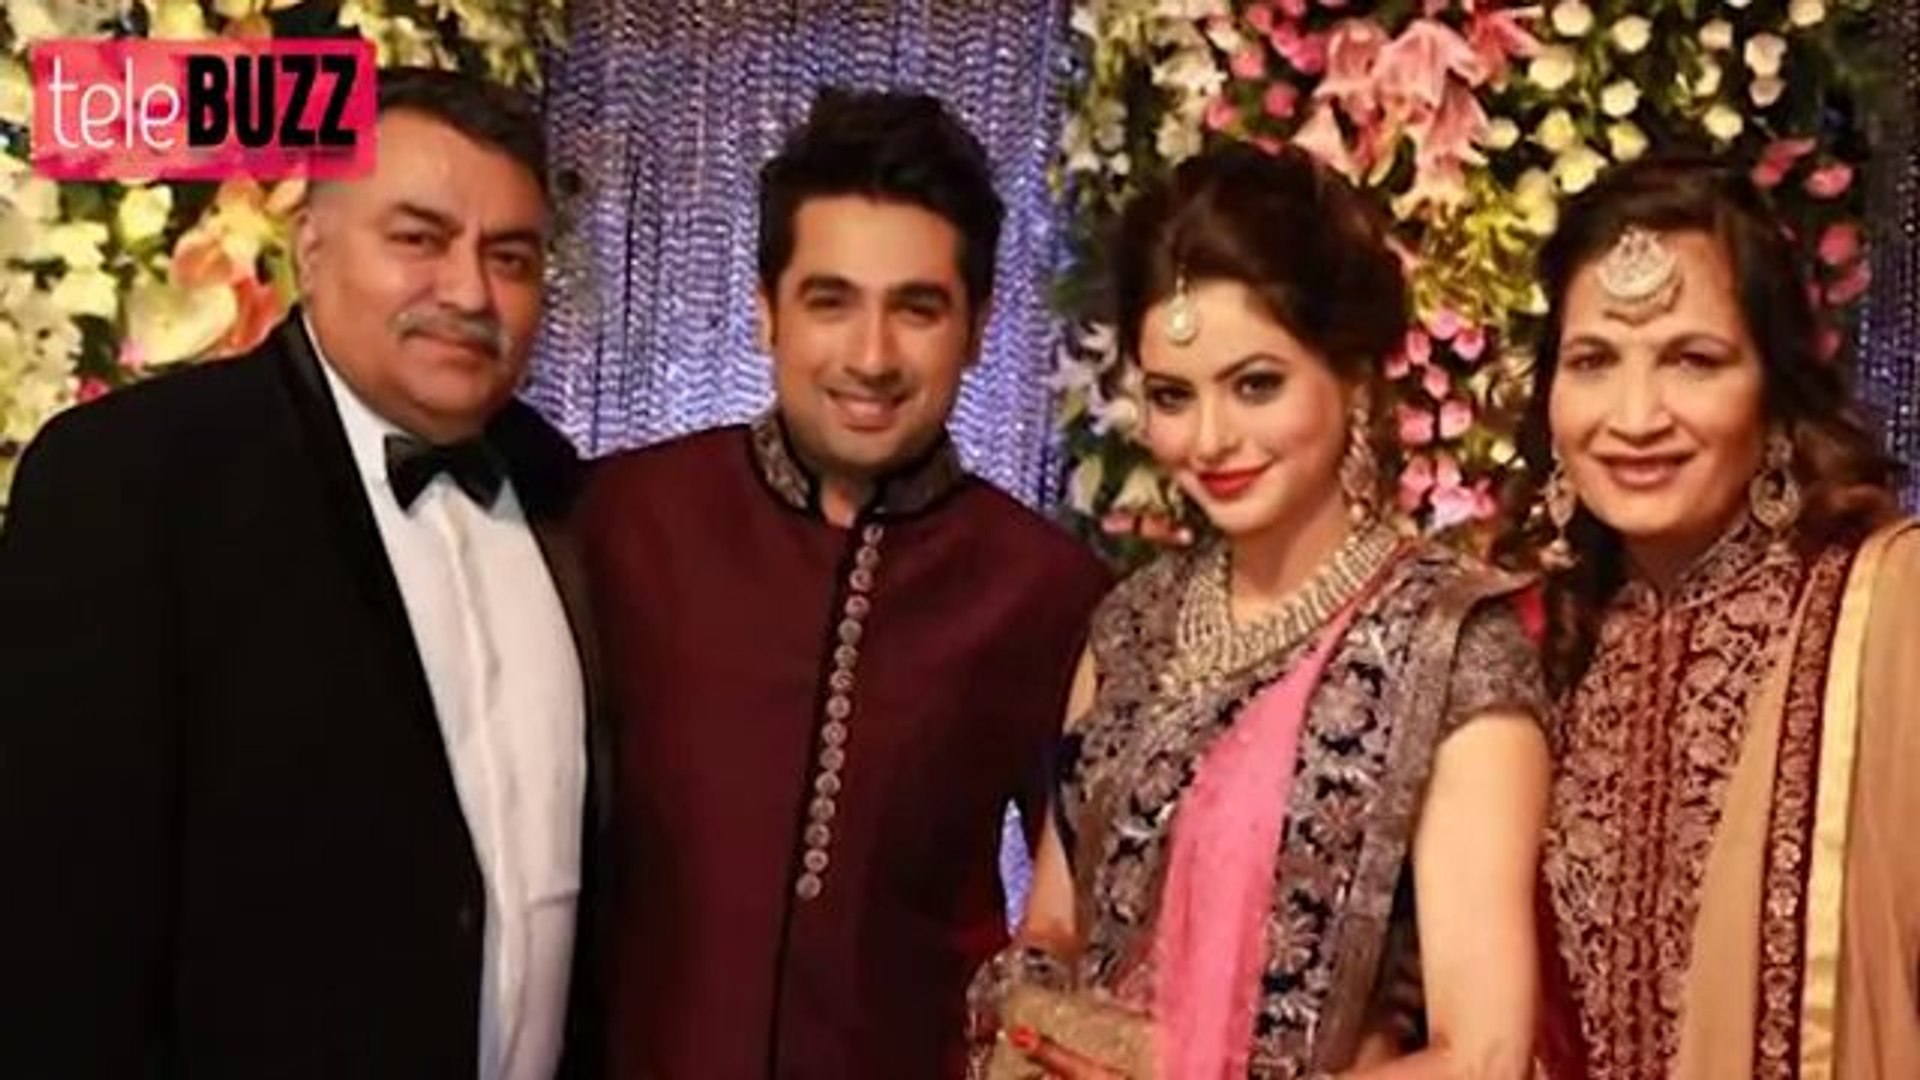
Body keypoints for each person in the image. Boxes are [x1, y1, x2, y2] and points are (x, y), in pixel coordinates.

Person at [0, 68, 603, 1079]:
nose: (470, 293)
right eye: (418, 239)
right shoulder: (134, 480)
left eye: (510, 256)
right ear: (310, 247)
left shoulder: (563, 489)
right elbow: (50, 930)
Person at [969, 142, 1551, 1079]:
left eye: (1255, 385)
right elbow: (1055, 925)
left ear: (1351, 376)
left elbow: (1484, 1054)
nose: (1209, 439)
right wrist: (1038, 1023)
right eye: (1172, 396)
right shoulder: (1132, 625)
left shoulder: (1451, 647)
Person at [577, 88, 1110, 1078]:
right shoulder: (622, 521)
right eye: (830, 301)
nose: (871, 357)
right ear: (766, 311)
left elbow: (1090, 927)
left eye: (917, 308)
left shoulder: (1049, 593)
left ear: (978, 328)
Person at [1508, 158, 1918, 1078]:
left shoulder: (1888, 617)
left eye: (1693, 360)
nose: (1635, 417)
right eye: (1593, 361)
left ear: (1774, 388)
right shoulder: (1526, 641)